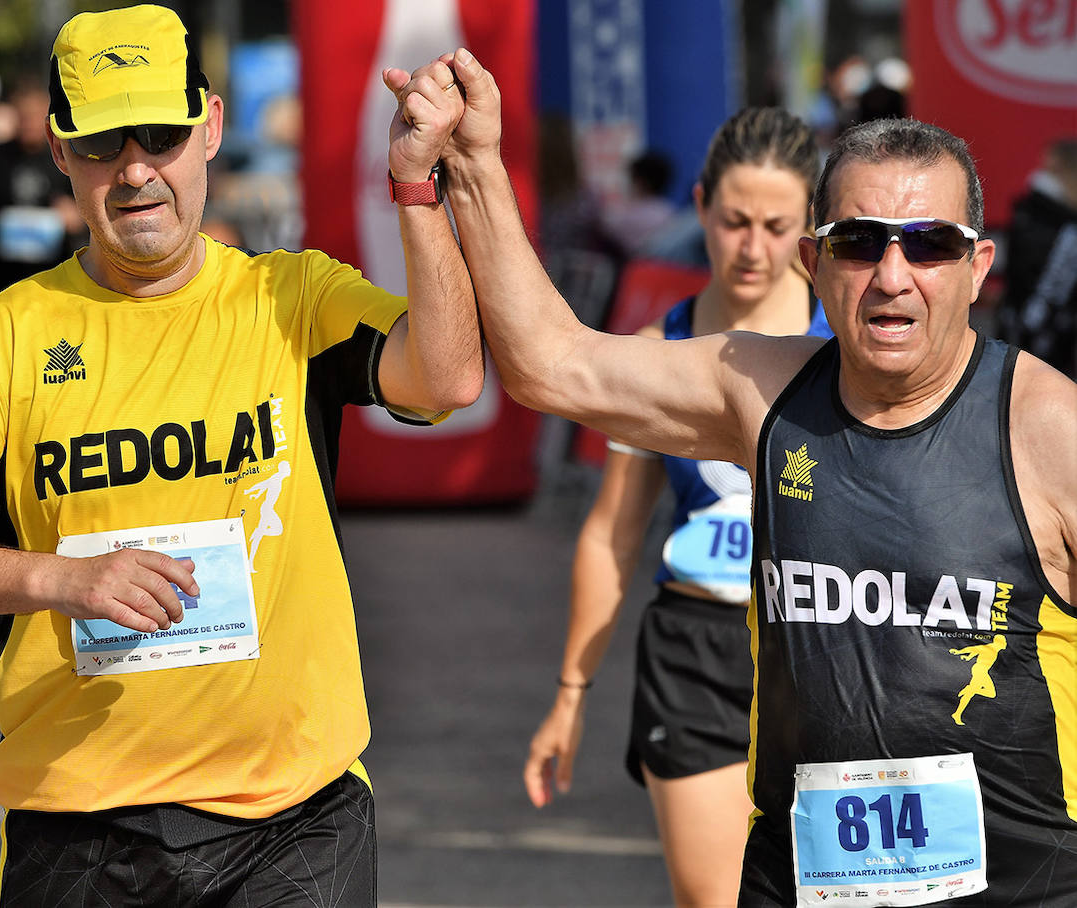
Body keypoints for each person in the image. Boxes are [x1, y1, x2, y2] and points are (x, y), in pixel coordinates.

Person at [425, 49, 1076, 905]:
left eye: (928, 245)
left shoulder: (1047, 429)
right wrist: (472, 163)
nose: (891, 276)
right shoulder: (762, 392)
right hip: (801, 881)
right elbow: (553, 365)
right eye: (857, 243)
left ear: (978, 266)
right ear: (815, 261)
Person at [0, 4, 480, 904]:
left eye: (161, 134)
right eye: (105, 144)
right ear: (61, 154)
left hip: (293, 816)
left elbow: (449, 377)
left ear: (212, 128)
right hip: (81, 824)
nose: (137, 170)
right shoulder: (9, 336)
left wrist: (418, 187)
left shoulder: (293, 297)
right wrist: (61, 582)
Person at [524, 106, 831, 907]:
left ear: (811, 229)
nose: (753, 247)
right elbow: (612, 534)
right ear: (700, 207)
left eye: (776, 225)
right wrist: (570, 695)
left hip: (825, 651)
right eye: (733, 221)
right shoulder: (659, 354)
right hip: (697, 652)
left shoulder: (849, 351)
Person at [0, 77, 84, 304]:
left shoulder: (68, 158)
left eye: (36, 117)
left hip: (54, 278)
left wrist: (77, 217)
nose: (30, 124)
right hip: (0, 279)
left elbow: (94, 203)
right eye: (24, 117)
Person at [996, 138, 1077, 378]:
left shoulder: (1031, 210)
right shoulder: (1058, 221)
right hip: (1041, 339)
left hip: (1019, 332)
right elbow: (1050, 290)